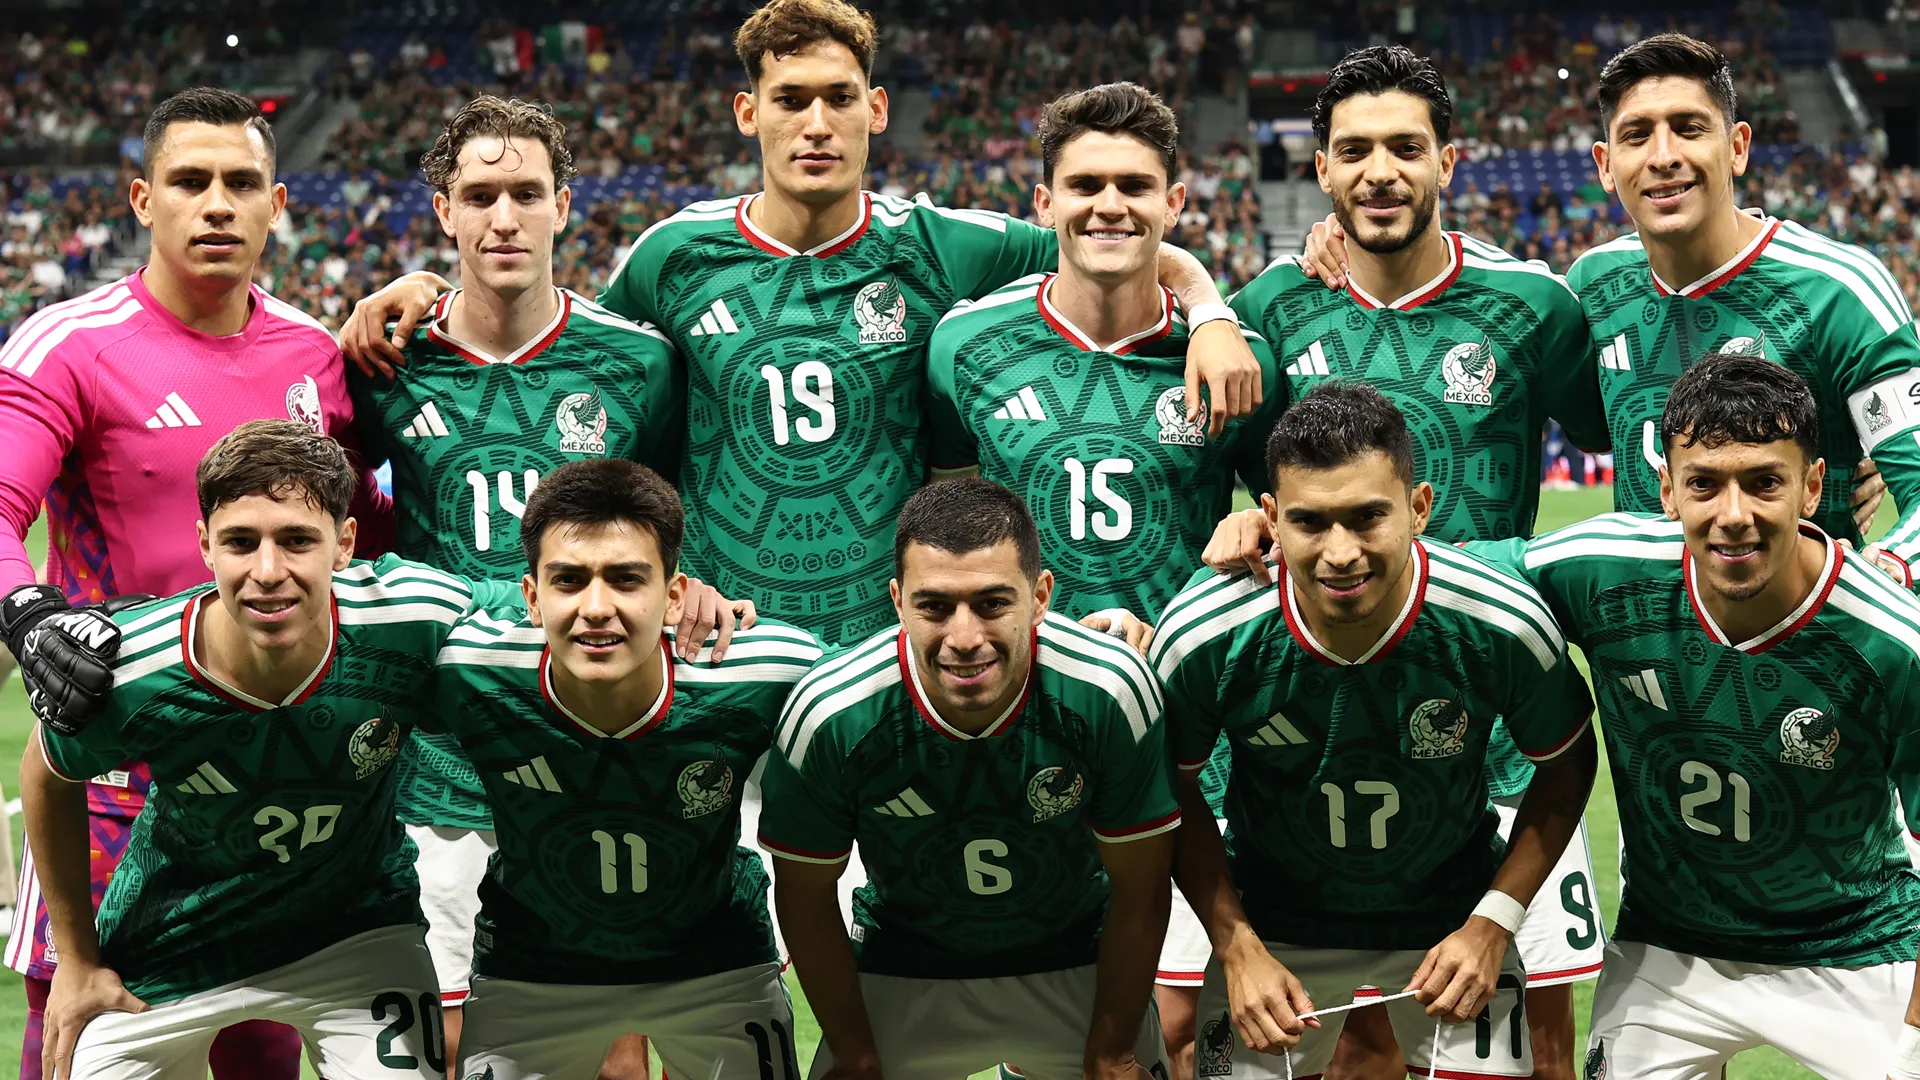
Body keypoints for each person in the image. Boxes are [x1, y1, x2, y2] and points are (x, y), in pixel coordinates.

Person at [338, 0, 1262, 652]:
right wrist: (427, 283)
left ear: (876, 110)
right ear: (749, 113)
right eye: (789, 99)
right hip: (716, 638)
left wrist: (1210, 308)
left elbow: (1109, 234)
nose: (816, 122)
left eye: (839, 96)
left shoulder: (947, 245)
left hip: (896, 644)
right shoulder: (676, 255)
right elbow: (564, 351)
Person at [1193, 47, 1611, 1080]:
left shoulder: (1533, 305)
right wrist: (1243, 517)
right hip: (1331, 723)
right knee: (1346, 1044)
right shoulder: (1275, 309)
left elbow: (1648, 434)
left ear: (1451, 162)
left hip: (1505, 724)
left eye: (1405, 148)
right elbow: (1228, 467)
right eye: (1355, 152)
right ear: (1321, 174)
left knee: (1535, 1043)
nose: (1381, 171)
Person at [345, 94, 743, 1077]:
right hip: (444, 760)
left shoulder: (640, 362)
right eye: (480, 195)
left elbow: (676, 521)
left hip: (600, 760)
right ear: (444, 212)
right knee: (446, 1043)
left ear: (567, 204)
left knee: (611, 1053)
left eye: (526, 191)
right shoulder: (388, 360)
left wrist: (692, 589)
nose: (504, 217)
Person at [0, 86, 393, 1080]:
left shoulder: (317, 356)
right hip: (107, 784)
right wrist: (30, 614)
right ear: (141, 200)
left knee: (258, 1052)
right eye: (189, 181)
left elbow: (380, 531)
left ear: (279, 203)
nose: (216, 203)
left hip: (264, 787)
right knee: (78, 1042)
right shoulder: (72, 344)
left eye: (240, 182)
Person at [923, 81, 1280, 1078]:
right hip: (1023, 732)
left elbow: (1301, 515)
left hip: (1190, 741)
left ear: (1178, 201)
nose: (1108, 205)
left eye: (1135, 185)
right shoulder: (967, 346)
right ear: (1044, 203)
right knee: (1055, 1032)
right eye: (1084, 184)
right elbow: (950, 524)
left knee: (1179, 1028)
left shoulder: (1232, 357)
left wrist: (1257, 518)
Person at [1291, 35, 1914, 580]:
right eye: (1637, 135)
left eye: (1689, 128)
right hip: (1647, 667)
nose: (1663, 155)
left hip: (1803, 654)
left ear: (1738, 147)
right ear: (1606, 165)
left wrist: (1886, 565)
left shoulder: (1840, 290)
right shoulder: (1592, 286)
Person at [1471, 355, 1920, 1079]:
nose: (1733, 515)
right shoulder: (1599, 567)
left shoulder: (1895, 645)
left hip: (1859, 945)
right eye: (1705, 484)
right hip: (1669, 951)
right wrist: (1273, 549)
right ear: (1667, 490)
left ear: (1811, 487)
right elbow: (1439, 574)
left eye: (1763, 482)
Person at [1151, 382, 1598, 1080]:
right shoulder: (1207, 633)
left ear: (1418, 508)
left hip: (1454, 921)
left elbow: (1568, 766)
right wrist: (1235, 947)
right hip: (1273, 928)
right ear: (1268, 515)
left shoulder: (1499, 619)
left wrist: (1492, 924)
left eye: (1366, 518)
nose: (1339, 553)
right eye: (1310, 522)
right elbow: (1167, 792)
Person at [17, 419, 489, 1080]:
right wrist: (77, 959)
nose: (269, 572)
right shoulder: (134, 665)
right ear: (206, 545)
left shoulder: (414, 617)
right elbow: (45, 771)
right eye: (242, 542)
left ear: (345, 542)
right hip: (174, 941)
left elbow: (534, 617)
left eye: (297, 540)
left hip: (356, 931)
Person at [760, 478, 1178, 1080]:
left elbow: (1141, 888)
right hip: (903, 965)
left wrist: (1113, 1047)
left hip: (1078, 960)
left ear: (1040, 597)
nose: (963, 638)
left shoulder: (1110, 692)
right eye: (934, 606)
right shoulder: (831, 714)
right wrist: (853, 1050)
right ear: (897, 601)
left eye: (992, 603)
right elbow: (804, 900)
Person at [428, 458, 822, 1078]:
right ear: (530, 597)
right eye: (568, 580)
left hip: (717, 965)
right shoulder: (468, 668)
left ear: (674, 594)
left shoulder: (766, 668)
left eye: (626, 579)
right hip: (534, 970)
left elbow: (873, 714)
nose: (596, 607)